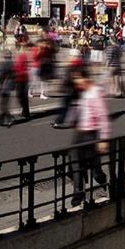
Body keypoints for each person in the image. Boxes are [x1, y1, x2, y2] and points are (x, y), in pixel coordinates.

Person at [69, 66, 111, 207]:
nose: (76, 82)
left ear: (85, 77)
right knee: (75, 164)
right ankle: (78, 193)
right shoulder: (82, 92)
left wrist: (103, 139)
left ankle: (106, 183)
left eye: (77, 79)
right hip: (80, 134)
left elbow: (103, 117)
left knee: (95, 170)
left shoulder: (95, 92)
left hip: (92, 135)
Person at [52, 50, 83, 128]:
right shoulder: (75, 65)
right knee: (70, 106)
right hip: (73, 89)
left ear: (75, 57)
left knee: (66, 106)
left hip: (73, 89)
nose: (69, 57)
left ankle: (59, 121)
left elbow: (71, 78)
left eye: (71, 56)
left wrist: (62, 85)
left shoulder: (76, 66)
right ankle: (62, 120)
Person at [0, 50, 15, 127]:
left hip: (4, 86)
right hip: (10, 86)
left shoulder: (3, 64)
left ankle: (9, 118)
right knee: (4, 103)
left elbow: (0, 76)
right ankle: (4, 118)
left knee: (3, 104)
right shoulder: (13, 64)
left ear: (4, 56)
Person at [13, 41, 31, 120]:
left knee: (20, 96)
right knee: (23, 96)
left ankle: (26, 112)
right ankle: (25, 112)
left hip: (21, 78)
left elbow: (20, 67)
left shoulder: (22, 56)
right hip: (23, 78)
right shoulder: (22, 56)